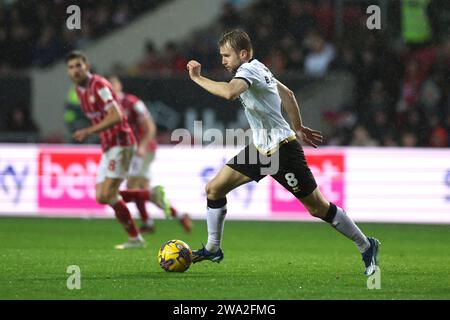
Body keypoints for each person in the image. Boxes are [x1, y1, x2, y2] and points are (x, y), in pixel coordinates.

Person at [186, 30, 380, 276]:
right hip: (260, 148)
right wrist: (298, 127)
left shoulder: (247, 71)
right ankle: (213, 247)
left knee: (317, 208)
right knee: (214, 189)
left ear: (243, 54)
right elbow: (288, 95)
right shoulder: (260, 68)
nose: (223, 60)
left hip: (281, 151)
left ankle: (366, 244)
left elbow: (229, 93)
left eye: (227, 55)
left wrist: (197, 78)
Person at [65, 51, 170, 249]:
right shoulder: (79, 90)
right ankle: (149, 197)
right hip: (108, 145)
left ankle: (136, 237)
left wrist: (89, 131)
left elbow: (117, 116)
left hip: (121, 143)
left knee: (109, 194)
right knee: (102, 196)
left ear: (86, 66)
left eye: (78, 65)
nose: (75, 70)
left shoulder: (100, 85)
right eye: (71, 67)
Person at [108, 75, 192, 233]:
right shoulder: (110, 108)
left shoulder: (132, 103)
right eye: (108, 85)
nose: (111, 87)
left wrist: (142, 146)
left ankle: (149, 222)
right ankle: (177, 216)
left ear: (119, 86)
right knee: (142, 190)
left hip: (144, 150)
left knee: (132, 187)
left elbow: (150, 126)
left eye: (114, 84)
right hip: (130, 151)